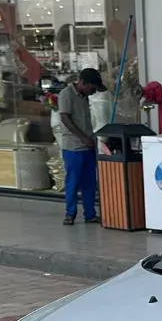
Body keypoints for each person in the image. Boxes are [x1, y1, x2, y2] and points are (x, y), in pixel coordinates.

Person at [54, 68, 104, 225]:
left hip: (88, 146)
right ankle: (70, 214)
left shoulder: (84, 97)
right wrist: (83, 138)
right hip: (73, 148)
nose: (93, 92)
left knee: (89, 183)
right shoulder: (66, 94)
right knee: (73, 182)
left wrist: (90, 139)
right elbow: (65, 118)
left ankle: (90, 214)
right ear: (83, 83)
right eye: (92, 88)